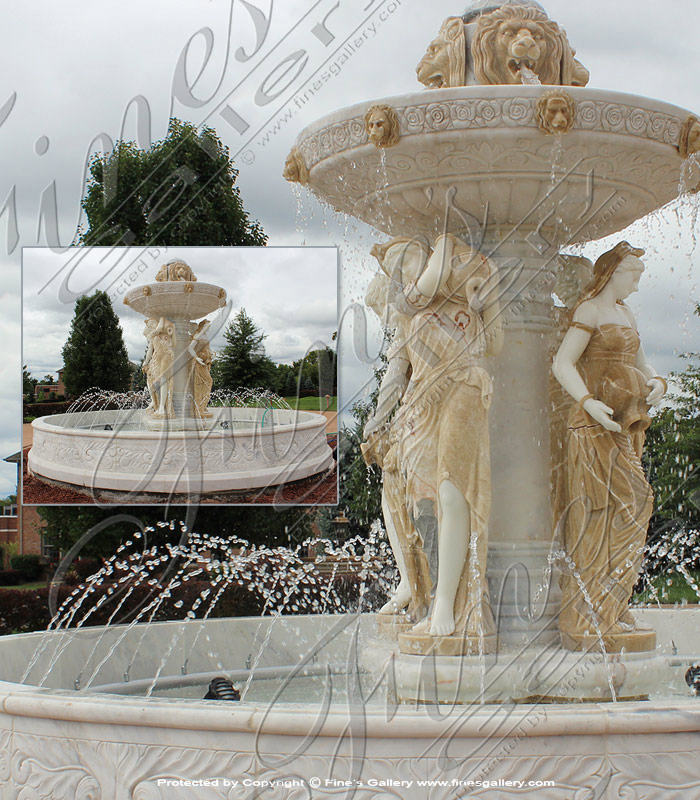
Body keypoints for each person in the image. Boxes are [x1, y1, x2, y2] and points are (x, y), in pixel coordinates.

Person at [386, 233, 503, 642]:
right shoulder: (411, 303)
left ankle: (446, 603)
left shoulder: (476, 287)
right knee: (424, 504)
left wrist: (485, 300)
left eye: (410, 260)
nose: (406, 271)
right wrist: (445, 244)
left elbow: (496, 344)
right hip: (422, 404)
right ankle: (432, 592)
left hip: (465, 391)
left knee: (454, 493)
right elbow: (420, 292)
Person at [552, 241, 666, 651]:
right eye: (632, 274)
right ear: (612, 272)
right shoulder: (589, 311)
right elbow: (562, 363)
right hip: (595, 422)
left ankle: (612, 601)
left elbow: (640, 361)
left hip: (626, 419)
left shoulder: (626, 313)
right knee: (606, 508)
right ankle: (589, 607)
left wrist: (656, 381)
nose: (636, 282)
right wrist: (587, 403)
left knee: (631, 506)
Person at [188, 319, 214, 419]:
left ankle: (202, 406)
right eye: (207, 326)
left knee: (206, 383)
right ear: (202, 326)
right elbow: (190, 348)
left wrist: (212, 353)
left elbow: (208, 348)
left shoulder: (205, 336)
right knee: (204, 382)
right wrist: (197, 358)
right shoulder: (197, 336)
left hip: (205, 362)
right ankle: (199, 407)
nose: (208, 327)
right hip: (199, 363)